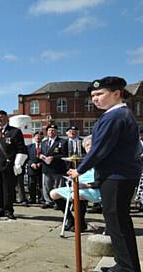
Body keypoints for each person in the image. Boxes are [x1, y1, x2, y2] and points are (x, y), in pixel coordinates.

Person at [68, 76, 142, 272]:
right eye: (93, 95)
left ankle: (127, 268)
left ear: (117, 94)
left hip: (117, 176)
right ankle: (124, 264)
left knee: (117, 223)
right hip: (118, 175)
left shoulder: (115, 116)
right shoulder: (116, 114)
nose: (95, 99)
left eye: (100, 94)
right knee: (116, 222)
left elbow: (100, 148)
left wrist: (80, 169)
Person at [51, 135, 97, 232]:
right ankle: (70, 219)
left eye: (92, 144)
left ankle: (80, 223)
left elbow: (103, 180)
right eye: (87, 145)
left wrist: (85, 185)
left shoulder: (100, 160)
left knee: (76, 194)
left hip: (94, 188)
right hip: (78, 186)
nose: (90, 147)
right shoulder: (83, 160)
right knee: (53, 193)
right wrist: (72, 173)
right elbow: (78, 173)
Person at [0, 110, 27, 220]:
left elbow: (21, 148)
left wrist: (18, 163)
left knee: (8, 190)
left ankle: (8, 210)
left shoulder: (15, 132)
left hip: (8, 165)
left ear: (7, 118)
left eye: (1, 117)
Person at [39, 124, 68, 209]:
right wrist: (40, 156)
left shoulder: (62, 142)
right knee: (47, 186)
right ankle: (48, 201)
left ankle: (58, 203)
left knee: (58, 186)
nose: (51, 132)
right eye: (49, 130)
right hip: (46, 168)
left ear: (56, 131)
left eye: (53, 130)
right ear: (47, 132)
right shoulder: (44, 142)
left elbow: (64, 154)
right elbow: (41, 152)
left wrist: (54, 157)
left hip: (57, 168)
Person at [26, 131, 44, 204]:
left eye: (39, 136)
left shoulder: (45, 146)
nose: (38, 137)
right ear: (34, 137)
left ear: (42, 137)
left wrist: (41, 163)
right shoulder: (29, 146)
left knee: (41, 184)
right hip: (32, 168)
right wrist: (31, 164)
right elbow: (27, 157)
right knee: (31, 184)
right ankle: (32, 198)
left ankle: (41, 198)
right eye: (36, 136)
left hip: (41, 168)